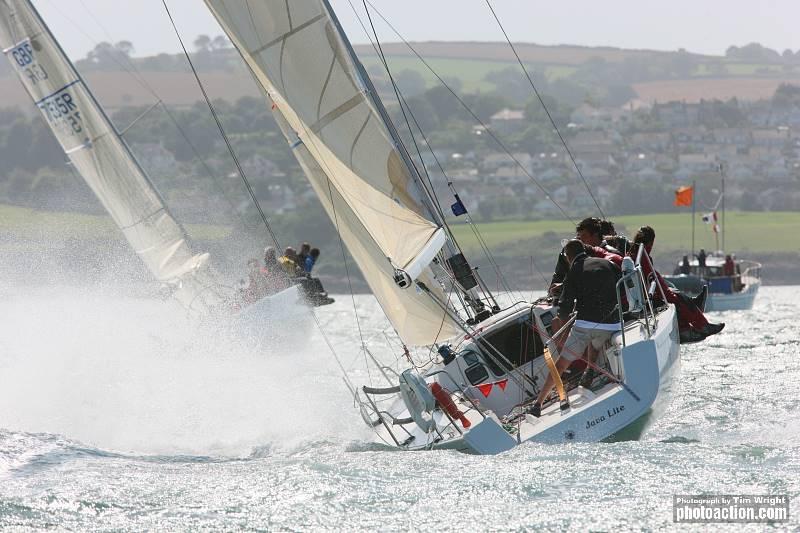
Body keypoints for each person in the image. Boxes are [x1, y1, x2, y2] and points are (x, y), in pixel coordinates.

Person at [530, 239, 622, 417]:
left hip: (585, 325)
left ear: (567, 257)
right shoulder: (607, 264)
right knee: (595, 344)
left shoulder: (573, 272)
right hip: (611, 324)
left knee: (562, 363)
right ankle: (589, 371)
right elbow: (618, 286)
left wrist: (560, 323)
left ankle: (537, 404)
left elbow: (565, 306)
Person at [632, 226, 723, 343]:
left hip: (647, 294)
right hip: (648, 298)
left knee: (677, 296)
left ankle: (695, 314)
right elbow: (654, 281)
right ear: (651, 242)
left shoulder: (634, 253)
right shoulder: (642, 257)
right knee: (677, 300)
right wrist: (671, 296)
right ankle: (699, 326)